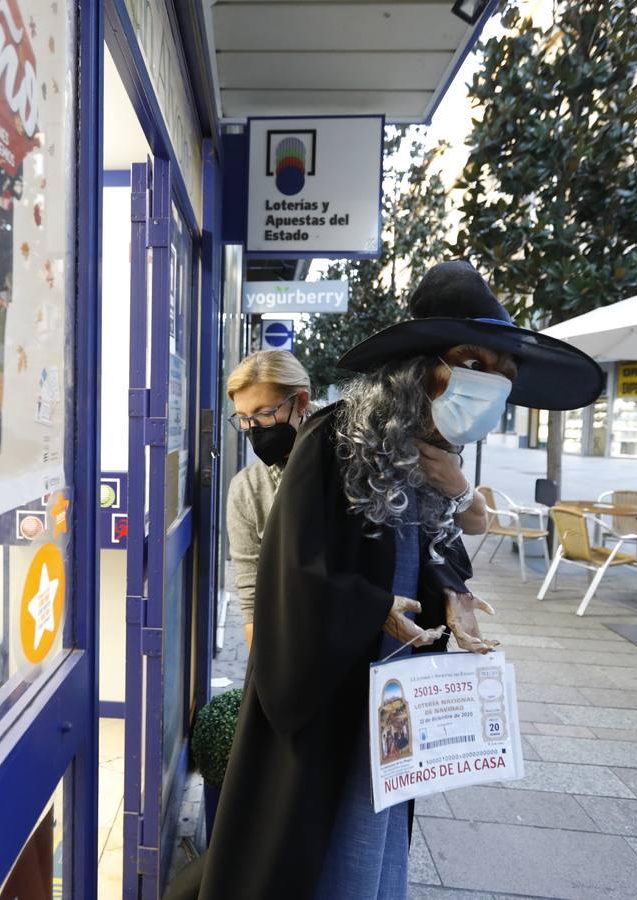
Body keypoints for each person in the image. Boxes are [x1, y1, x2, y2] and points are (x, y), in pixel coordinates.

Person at [171, 261, 604, 899]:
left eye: (503, 374)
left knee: (377, 832)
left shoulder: (434, 450)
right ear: (427, 368)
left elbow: (437, 542)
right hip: (333, 684)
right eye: (478, 364)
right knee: (320, 840)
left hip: (397, 681)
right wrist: (372, 606)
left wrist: (454, 589)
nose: (494, 385)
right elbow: (293, 569)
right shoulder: (331, 439)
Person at [224, 350, 312, 650]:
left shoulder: (352, 463)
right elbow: (252, 600)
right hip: (293, 645)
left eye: (263, 413)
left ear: (301, 402)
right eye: (244, 419)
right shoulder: (247, 490)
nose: (254, 428)